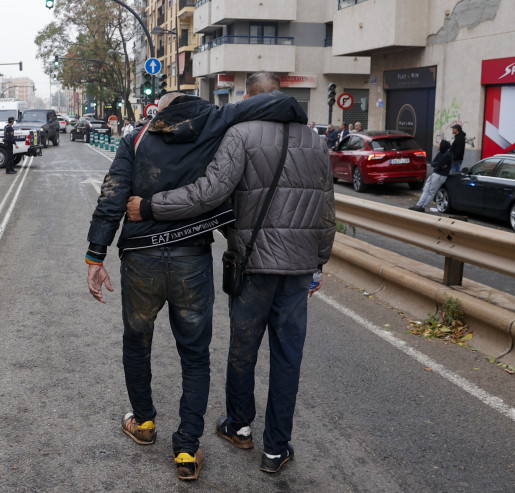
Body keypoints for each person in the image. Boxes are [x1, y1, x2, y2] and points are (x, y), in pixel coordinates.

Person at [85, 86, 308, 481]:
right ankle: (187, 449)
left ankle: (144, 422)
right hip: (191, 259)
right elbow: (279, 103)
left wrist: (96, 255)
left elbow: (112, 196)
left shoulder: (135, 138)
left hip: (141, 259)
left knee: (137, 341)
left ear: (159, 111)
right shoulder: (212, 123)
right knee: (195, 354)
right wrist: (295, 108)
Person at [125, 72, 336, 475]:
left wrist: (152, 206)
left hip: (253, 263)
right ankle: (276, 449)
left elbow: (209, 192)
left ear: (249, 98)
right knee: (288, 357)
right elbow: (327, 209)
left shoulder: (240, 135)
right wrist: (318, 262)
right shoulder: (317, 140)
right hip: (298, 268)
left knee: (243, 349)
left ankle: (239, 426)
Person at [409, 139, 453, 212]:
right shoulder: (440, 153)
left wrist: (438, 165)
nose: (438, 145)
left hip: (439, 175)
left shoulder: (447, 155)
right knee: (426, 190)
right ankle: (418, 205)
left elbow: (438, 165)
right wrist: (439, 165)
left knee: (431, 192)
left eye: (439, 144)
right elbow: (433, 163)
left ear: (443, 146)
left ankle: (422, 206)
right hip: (435, 174)